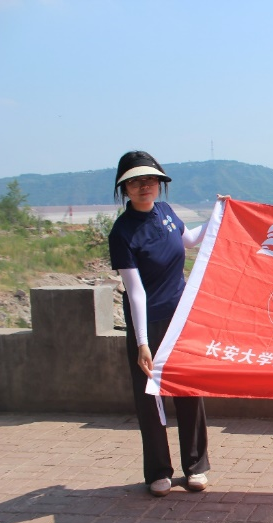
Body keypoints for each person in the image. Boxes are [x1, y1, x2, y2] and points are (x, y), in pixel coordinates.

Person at [108, 151, 212, 497]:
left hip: (180, 318)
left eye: (150, 180)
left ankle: (196, 467)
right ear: (124, 188)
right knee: (150, 399)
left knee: (188, 391)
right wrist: (142, 342)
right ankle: (158, 471)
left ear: (159, 184)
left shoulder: (166, 212)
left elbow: (189, 240)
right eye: (136, 182)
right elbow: (135, 291)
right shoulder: (123, 232)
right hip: (148, 324)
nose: (144, 186)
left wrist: (220, 214)